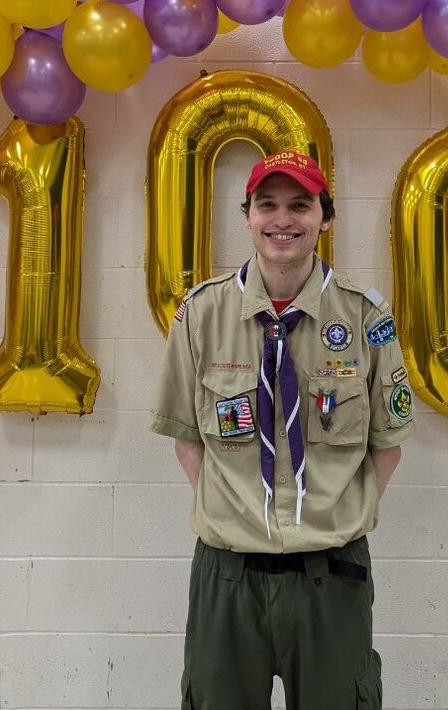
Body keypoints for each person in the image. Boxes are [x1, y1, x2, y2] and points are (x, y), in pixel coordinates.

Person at [148, 150, 415, 710]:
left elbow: (385, 447)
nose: (283, 219)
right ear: (246, 215)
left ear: (325, 216)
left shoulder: (365, 318)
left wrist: (334, 514)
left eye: (300, 205)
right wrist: (239, 510)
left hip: (331, 578)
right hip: (228, 578)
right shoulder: (200, 315)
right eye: (267, 204)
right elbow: (186, 440)